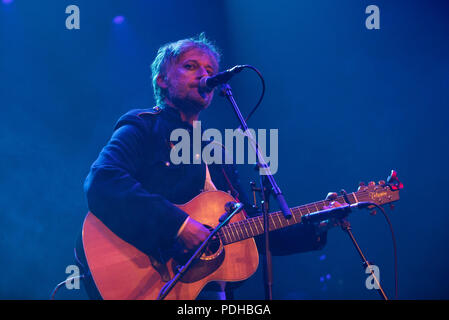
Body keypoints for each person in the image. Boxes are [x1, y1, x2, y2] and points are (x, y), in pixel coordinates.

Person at [76, 33, 329, 300]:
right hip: (158, 280)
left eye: (210, 70)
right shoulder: (143, 126)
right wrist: (179, 226)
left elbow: (252, 229)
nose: (203, 75)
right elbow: (103, 181)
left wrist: (315, 225)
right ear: (162, 79)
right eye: (190, 66)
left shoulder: (216, 152)